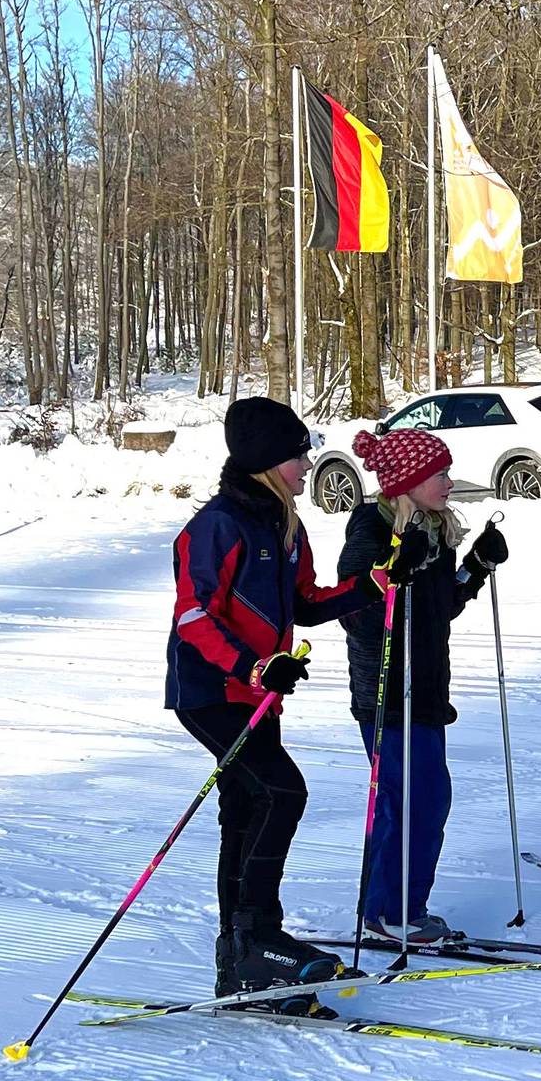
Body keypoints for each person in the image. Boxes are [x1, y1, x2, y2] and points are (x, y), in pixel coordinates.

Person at [166, 396, 376, 1006]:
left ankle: (240, 962)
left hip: (258, 692)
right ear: (266, 460)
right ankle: (258, 937)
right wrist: (253, 666)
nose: (308, 462)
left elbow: (307, 602)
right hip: (211, 691)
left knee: (247, 808)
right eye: (297, 453)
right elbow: (193, 614)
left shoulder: (287, 526)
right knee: (280, 791)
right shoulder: (216, 525)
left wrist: (376, 585)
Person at [335, 426, 508, 946]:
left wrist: (475, 568)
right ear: (406, 480)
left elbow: (441, 609)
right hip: (388, 694)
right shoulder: (370, 530)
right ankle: (396, 911)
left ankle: (386, 907)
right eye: (439, 474)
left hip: (427, 690)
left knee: (418, 799)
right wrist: (394, 570)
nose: (449, 483)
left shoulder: (434, 530)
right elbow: (358, 614)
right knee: (415, 801)